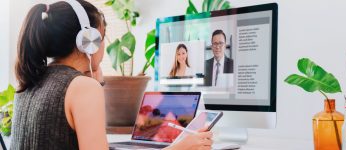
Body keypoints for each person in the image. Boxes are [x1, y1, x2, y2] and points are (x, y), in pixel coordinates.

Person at [11, 1, 212, 150]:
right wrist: (181, 147)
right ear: (88, 40)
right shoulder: (81, 87)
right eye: (103, 36)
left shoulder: (31, 80)